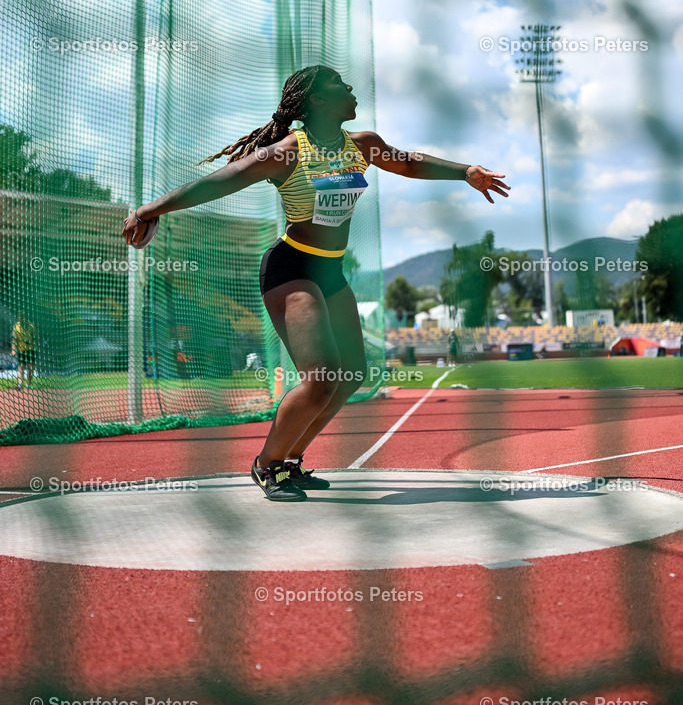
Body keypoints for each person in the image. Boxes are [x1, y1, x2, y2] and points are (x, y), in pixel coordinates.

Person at [122, 64, 510, 501]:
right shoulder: (285, 153)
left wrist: (465, 172)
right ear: (318, 101)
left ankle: (290, 459)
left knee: (350, 374)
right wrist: (149, 209)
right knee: (322, 374)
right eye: (339, 86)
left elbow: (409, 164)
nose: (350, 90)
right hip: (291, 270)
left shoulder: (362, 145)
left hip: (330, 271)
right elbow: (217, 184)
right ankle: (266, 465)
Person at [12, 312, 36, 389]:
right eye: (20, 317)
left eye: (23, 317)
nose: (21, 319)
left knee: (30, 367)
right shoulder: (16, 327)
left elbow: (36, 338)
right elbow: (14, 340)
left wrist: (31, 342)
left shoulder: (31, 327)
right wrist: (13, 350)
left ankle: (29, 384)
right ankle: (20, 384)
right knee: (21, 367)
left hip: (30, 350)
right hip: (21, 350)